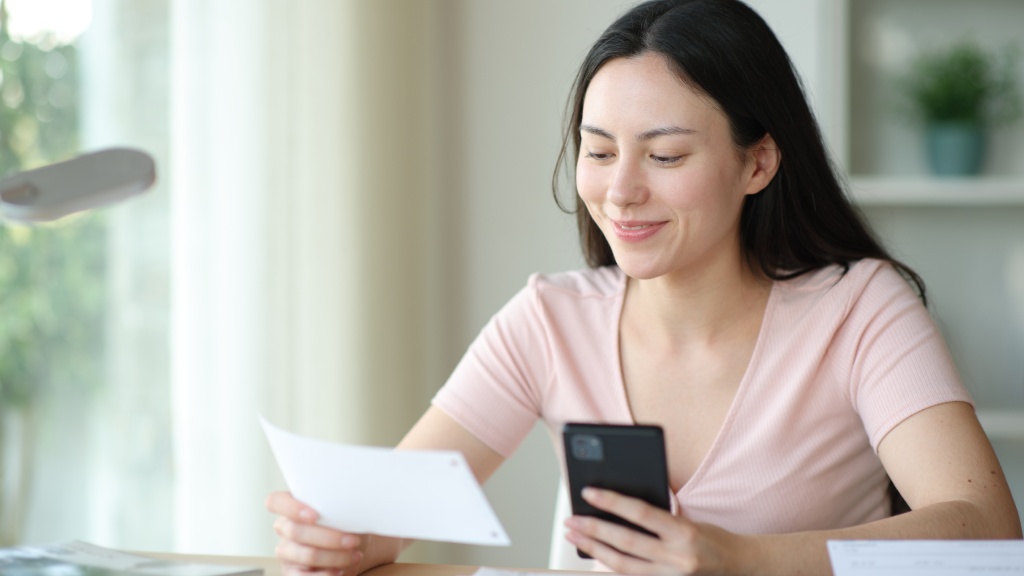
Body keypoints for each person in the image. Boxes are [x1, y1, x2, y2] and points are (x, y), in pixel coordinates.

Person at [266, 0, 1023, 574]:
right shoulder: (550, 319)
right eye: (599, 152)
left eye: (664, 157)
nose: (620, 191)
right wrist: (347, 535)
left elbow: (990, 531)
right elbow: (397, 507)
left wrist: (740, 559)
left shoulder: (860, 308)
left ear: (758, 163)